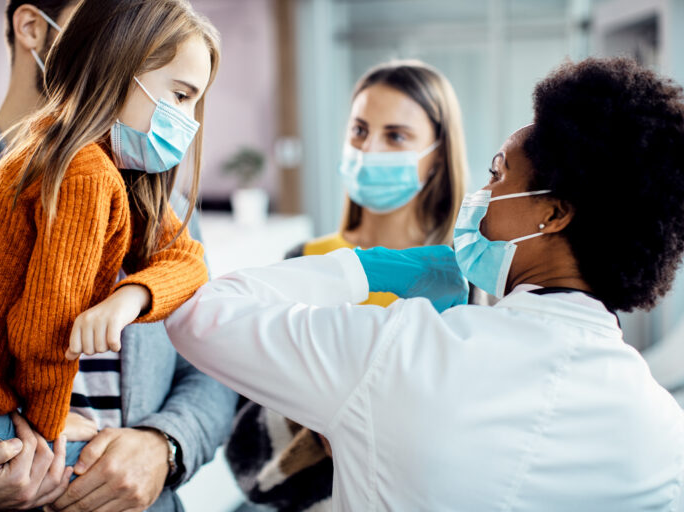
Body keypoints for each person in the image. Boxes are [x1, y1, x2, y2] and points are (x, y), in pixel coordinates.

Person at [167, 57, 684, 510]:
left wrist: (366, 269)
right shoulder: (661, 427)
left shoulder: (399, 348)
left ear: (551, 214)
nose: (483, 192)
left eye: (499, 175)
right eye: (360, 130)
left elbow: (199, 315)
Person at [0, 1, 236, 511]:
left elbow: (211, 364)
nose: (186, 119)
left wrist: (163, 446)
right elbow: (42, 326)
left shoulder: (145, 189)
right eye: (106, 17)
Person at [226, 60, 469, 510]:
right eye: (359, 130)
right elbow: (246, 432)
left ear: (437, 155)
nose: (369, 149)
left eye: (395, 136)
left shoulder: (464, 280)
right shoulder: (305, 260)